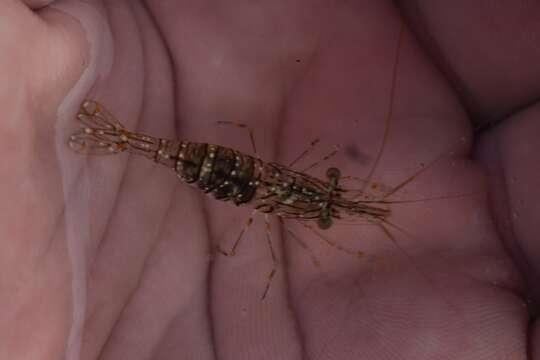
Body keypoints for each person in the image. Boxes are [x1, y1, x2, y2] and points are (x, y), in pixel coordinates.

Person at [2, 1, 538, 359]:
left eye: (326, 205)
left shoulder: (304, 187)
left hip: (232, 170)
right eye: (330, 205)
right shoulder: (305, 209)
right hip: (231, 173)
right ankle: (120, 139)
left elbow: (312, 178)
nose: (327, 206)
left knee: (185, 160)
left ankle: (119, 138)